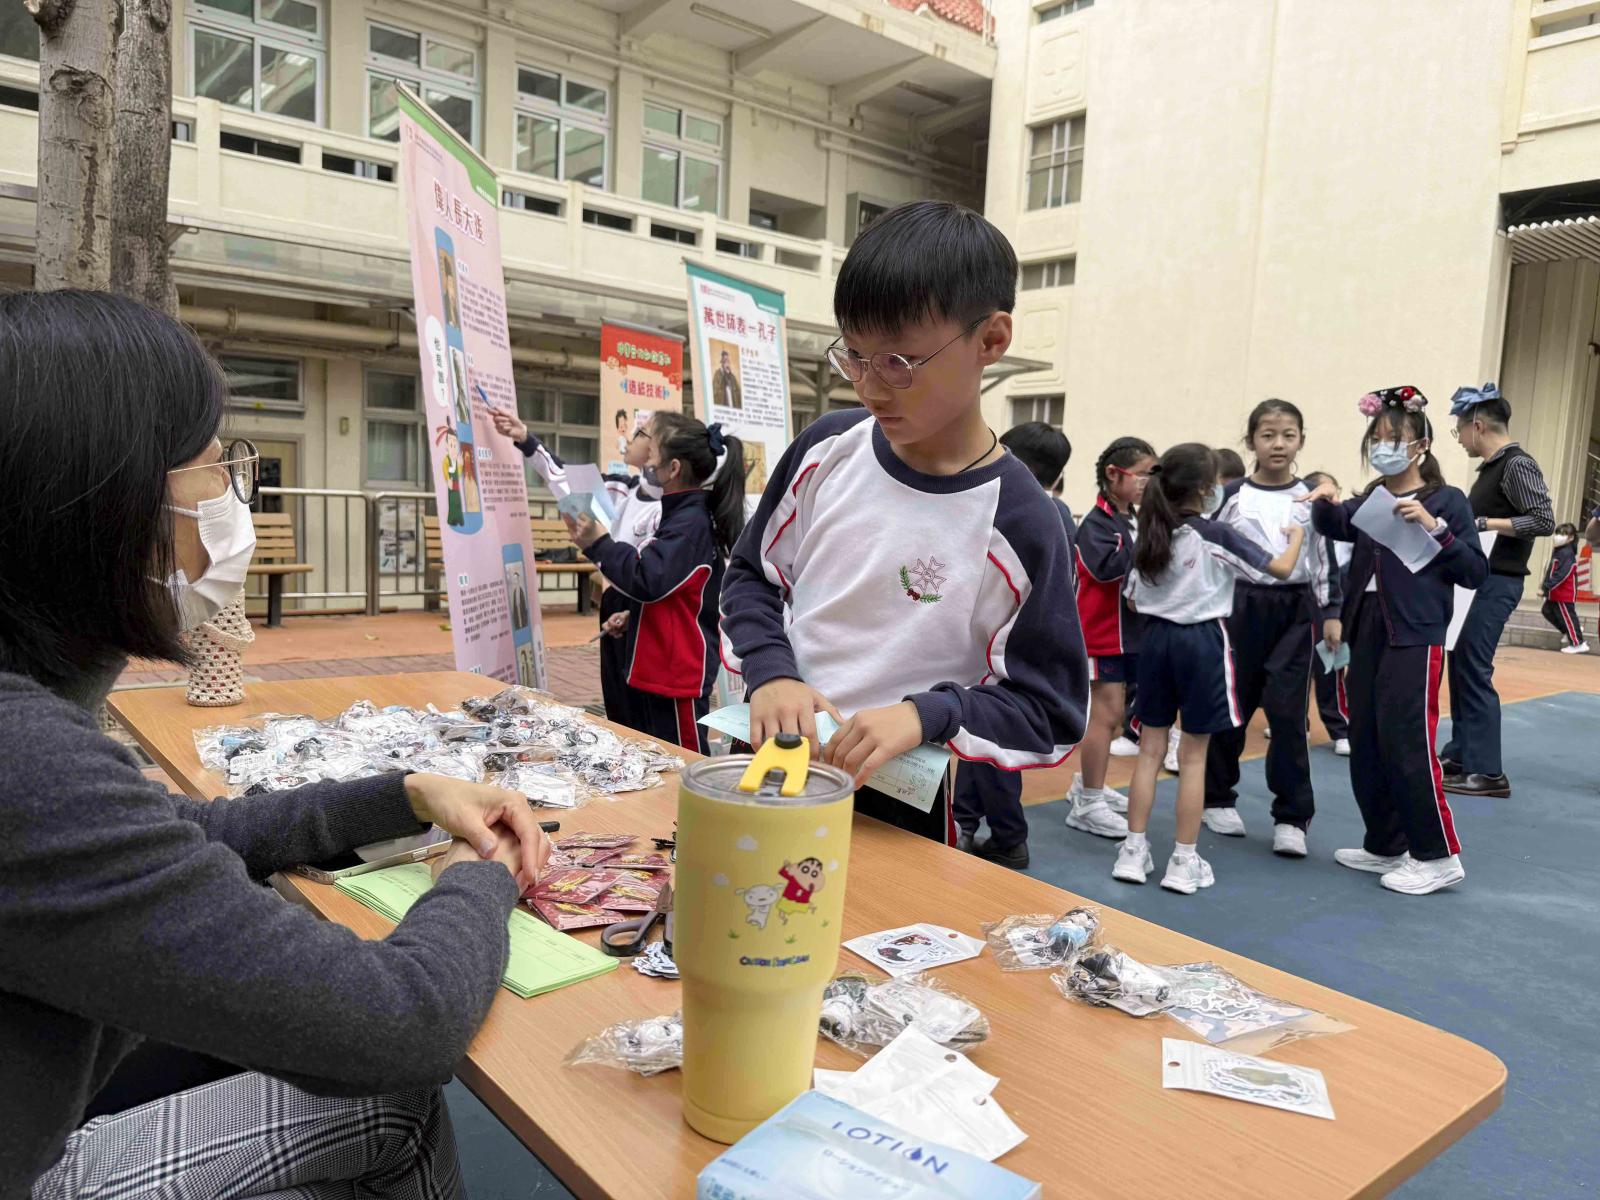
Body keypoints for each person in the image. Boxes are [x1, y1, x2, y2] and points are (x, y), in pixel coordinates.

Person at [0, 290, 554, 1199]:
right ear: (101, 501)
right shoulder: (24, 761)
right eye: (213, 467)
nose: (232, 498)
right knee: (391, 1100)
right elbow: (398, 1025)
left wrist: (403, 794)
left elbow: (165, 836)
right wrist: (477, 877)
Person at [720, 200, 1089, 848]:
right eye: (854, 355)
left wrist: (928, 714)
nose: (869, 387)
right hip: (770, 757)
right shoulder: (828, 449)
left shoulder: (1021, 521)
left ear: (991, 341)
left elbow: (1048, 710)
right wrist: (773, 672)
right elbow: (751, 575)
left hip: (898, 803)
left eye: (899, 362)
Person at [1306, 386, 1486, 895]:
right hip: (1367, 631)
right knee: (1366, 738)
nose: (1383, 447)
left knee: (1409, 742)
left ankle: (1437, 855)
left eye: (1393, 438)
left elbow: (1474, 571)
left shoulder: (1447, 501)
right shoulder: (1373, 499)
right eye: (1377, 438)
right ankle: (1385, 843)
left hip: (1415, 634)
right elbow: (1336, 524)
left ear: (1421, 445)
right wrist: (1324, 497)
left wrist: (1436, 528)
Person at [1114, 444, 1303, 893]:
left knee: (1150, 751)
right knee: (1194, 756)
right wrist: (1296, 535)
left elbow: (1132, 599)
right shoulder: (1216, 534)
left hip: (1155, 642)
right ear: (1203, 489)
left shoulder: (1151, 533)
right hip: (1201, 642)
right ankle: (1183, 860)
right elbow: (1280, 569)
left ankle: (1133, 851)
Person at [1202, 400, 1339, 857]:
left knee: (1288, 714)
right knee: (1232, 706)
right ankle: (1217, 798)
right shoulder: (1230, 496)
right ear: (1251, 441)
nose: (1278, 444)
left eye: (1288, 435)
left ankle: (1292, 817)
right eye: (1267, 435)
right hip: (1238, 607)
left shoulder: (1313, 498)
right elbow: (1204, 546)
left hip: (1296, 612)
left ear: (1301, 440)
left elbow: (1323, 558)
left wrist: (1332, 611)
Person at [566, 412, 744, 754]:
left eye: (654, 449)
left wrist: (598, 543)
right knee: (654, 759)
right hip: (660, 668)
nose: (648, 457)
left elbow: (648, 577)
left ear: (673, 468)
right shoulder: (681, 514)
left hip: (675, 676)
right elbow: (676, 592)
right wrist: (634, 616)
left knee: (682, 761)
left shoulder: (690, 522)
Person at [950, 421, 1078, 868]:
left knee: (992, 744)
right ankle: (966, 822)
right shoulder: (1058, 512)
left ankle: (1007, 836)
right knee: (975, 741)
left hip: (1008, 648)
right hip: (1013, 645)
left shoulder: (1028, 512)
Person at [1437, 382, 1554, 798]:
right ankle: (1461, 755)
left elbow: (1543, 519)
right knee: (1463, 662)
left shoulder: (1515, 465)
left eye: (1459, 430)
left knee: (1474, 667)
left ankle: (1487, 771)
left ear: (1478, 426)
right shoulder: (1492, 469)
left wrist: (1485, 524)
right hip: (1480, 580)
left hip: (1497, 580)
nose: (1460, 438)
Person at [1064, 437, 1157, 838]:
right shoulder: (1096, 524)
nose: (1149, 483)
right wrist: (1154, 544)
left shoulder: (1134, 518)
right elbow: (1105, 570)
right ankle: (1088, 803)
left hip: (1131, 634)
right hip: (1102, 634)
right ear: (1113, 475)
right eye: (1143, 474)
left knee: (1115, 716)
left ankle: (1089, 785)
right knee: (1104, 715)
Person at [1302, 471, 1352, 754]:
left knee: (1330, 666)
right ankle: (1299, 724)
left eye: (1333, 491)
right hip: (1301, 600)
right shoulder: (1304, 522)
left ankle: (1340, 729)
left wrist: (1335, 610)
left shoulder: (1346, 523)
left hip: (1332, 604)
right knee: (1296, 669)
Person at [1539, 523, 1589, 654]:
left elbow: (1562, 574)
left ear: (1571, 537)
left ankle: (1578, 643)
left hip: (1563, 592)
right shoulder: (1559, 551)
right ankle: (1570, 630)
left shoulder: (1566, 553)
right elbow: (1551, 571)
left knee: (1567, 616)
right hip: (1555, 592)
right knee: (1547, 610)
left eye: (1563, 534)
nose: (1558, 536)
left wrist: (1546, 587)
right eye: (1557, 533)